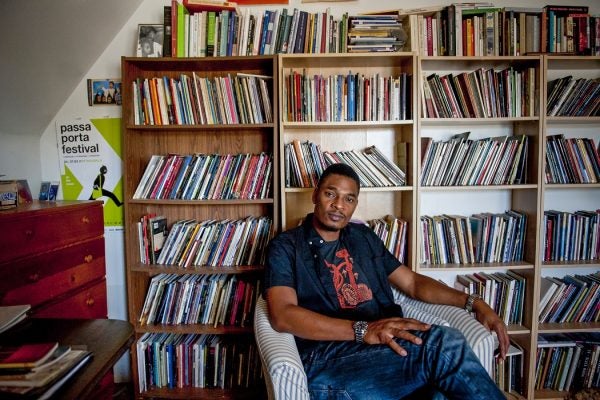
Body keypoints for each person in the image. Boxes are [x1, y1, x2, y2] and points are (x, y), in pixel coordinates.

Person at [264, 163, 510, 400]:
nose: (338, 205)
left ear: (355, 205)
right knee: (444, 344)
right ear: (315, 195)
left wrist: (473, 302)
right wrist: (364, 330)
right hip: (329, 358)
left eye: (349, 199)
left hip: (384, 350)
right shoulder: (286, 247)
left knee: (441, 390)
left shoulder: (363, 237)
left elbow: (412, 282)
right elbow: (282, 314)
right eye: (330, 194)